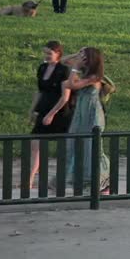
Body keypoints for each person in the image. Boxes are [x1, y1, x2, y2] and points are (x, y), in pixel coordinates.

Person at [43, 47, 110, 191]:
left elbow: (73, 85)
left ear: (90, 60)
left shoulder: (95, 77)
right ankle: (62, 180)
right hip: (80, 115)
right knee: (72, 145)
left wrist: (75, 67)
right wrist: (76, 55)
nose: (80, 59)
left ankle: (102, 183)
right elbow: (62, 61)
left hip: (92, 116)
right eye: (81, 57)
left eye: (84, 57)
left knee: (92, 149)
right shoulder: (83, 72)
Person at [28, 41, 73, 188]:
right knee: (35, 144)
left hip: (60, 113)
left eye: (49, 53)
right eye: (45, 53)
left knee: (63, 147)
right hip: (43, 109)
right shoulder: (42, 68)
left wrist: (52, 114)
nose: (46, 56)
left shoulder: (63, 70)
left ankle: (61, 179)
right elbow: (39, 91)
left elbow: (65, 97)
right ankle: (29, 180)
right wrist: (32, 110)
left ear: (58, 54)